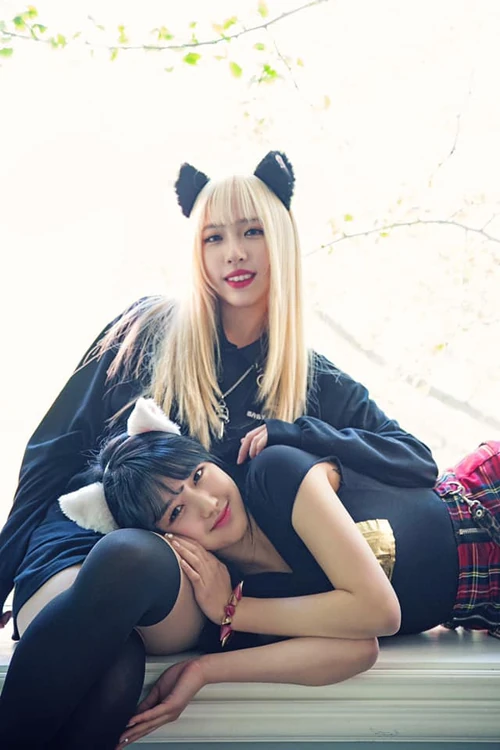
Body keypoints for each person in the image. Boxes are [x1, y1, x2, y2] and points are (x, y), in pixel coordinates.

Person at [0, 152, 437, 748]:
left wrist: (300, 432)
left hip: (172, 573)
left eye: (251, 232)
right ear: (197, 252)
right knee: (115, 667)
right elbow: (52, 451)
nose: (233, 253)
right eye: (214, 237)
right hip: (78, 546)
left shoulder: (310, 379)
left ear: (280, 238)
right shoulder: (146, 328)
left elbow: (415, 459)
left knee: (133, 565)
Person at [58, 398, 500, 746]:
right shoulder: (243, 592)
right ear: (168, 540)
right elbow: (358, 650)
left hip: (484, 509)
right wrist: (202, 670)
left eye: (197, 475)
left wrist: (232, 611)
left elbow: (380, 612)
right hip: (484, 599)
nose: (207, 504)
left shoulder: (275, 473)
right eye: (176, 511)